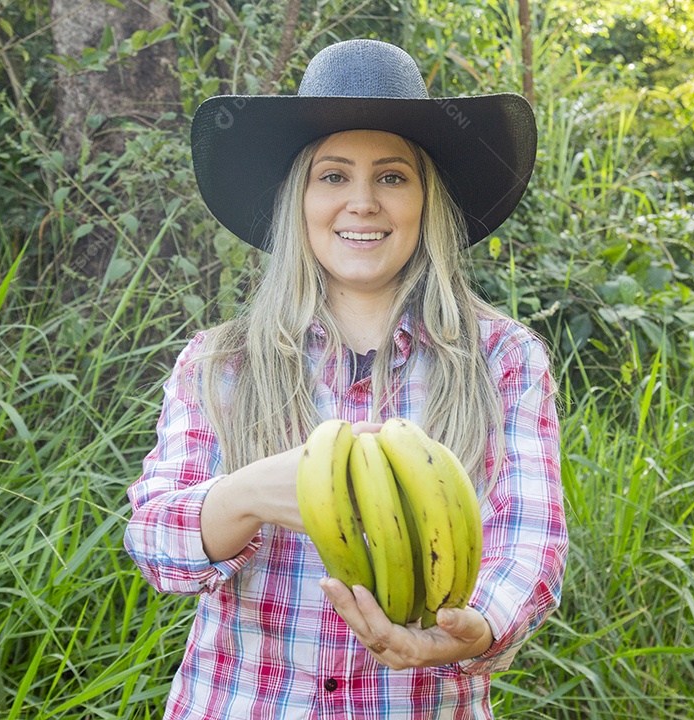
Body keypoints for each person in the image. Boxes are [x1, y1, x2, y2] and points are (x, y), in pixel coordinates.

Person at [124, 39, 568, 719]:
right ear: (297, 200)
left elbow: (529, 545)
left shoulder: (507, 361)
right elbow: (155, 544)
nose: (362, 202)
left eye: (392, 177)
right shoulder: (221, 364)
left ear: (427, 201)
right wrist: (244, 496)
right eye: (333, 176)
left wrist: (470, 630)